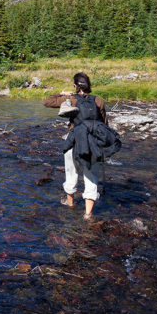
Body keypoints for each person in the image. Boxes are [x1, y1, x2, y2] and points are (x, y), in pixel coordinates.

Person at [56, 72, 108, 220]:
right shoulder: (98, 100)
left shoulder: (70, 99)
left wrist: (63, 93)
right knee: (91, 178)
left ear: (75, 86)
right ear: (89, 85)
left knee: (71, 173)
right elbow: (105, 125)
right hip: (93, 142)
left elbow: (47, 101)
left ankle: (70, 204)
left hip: (73, 140)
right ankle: (87, 214)